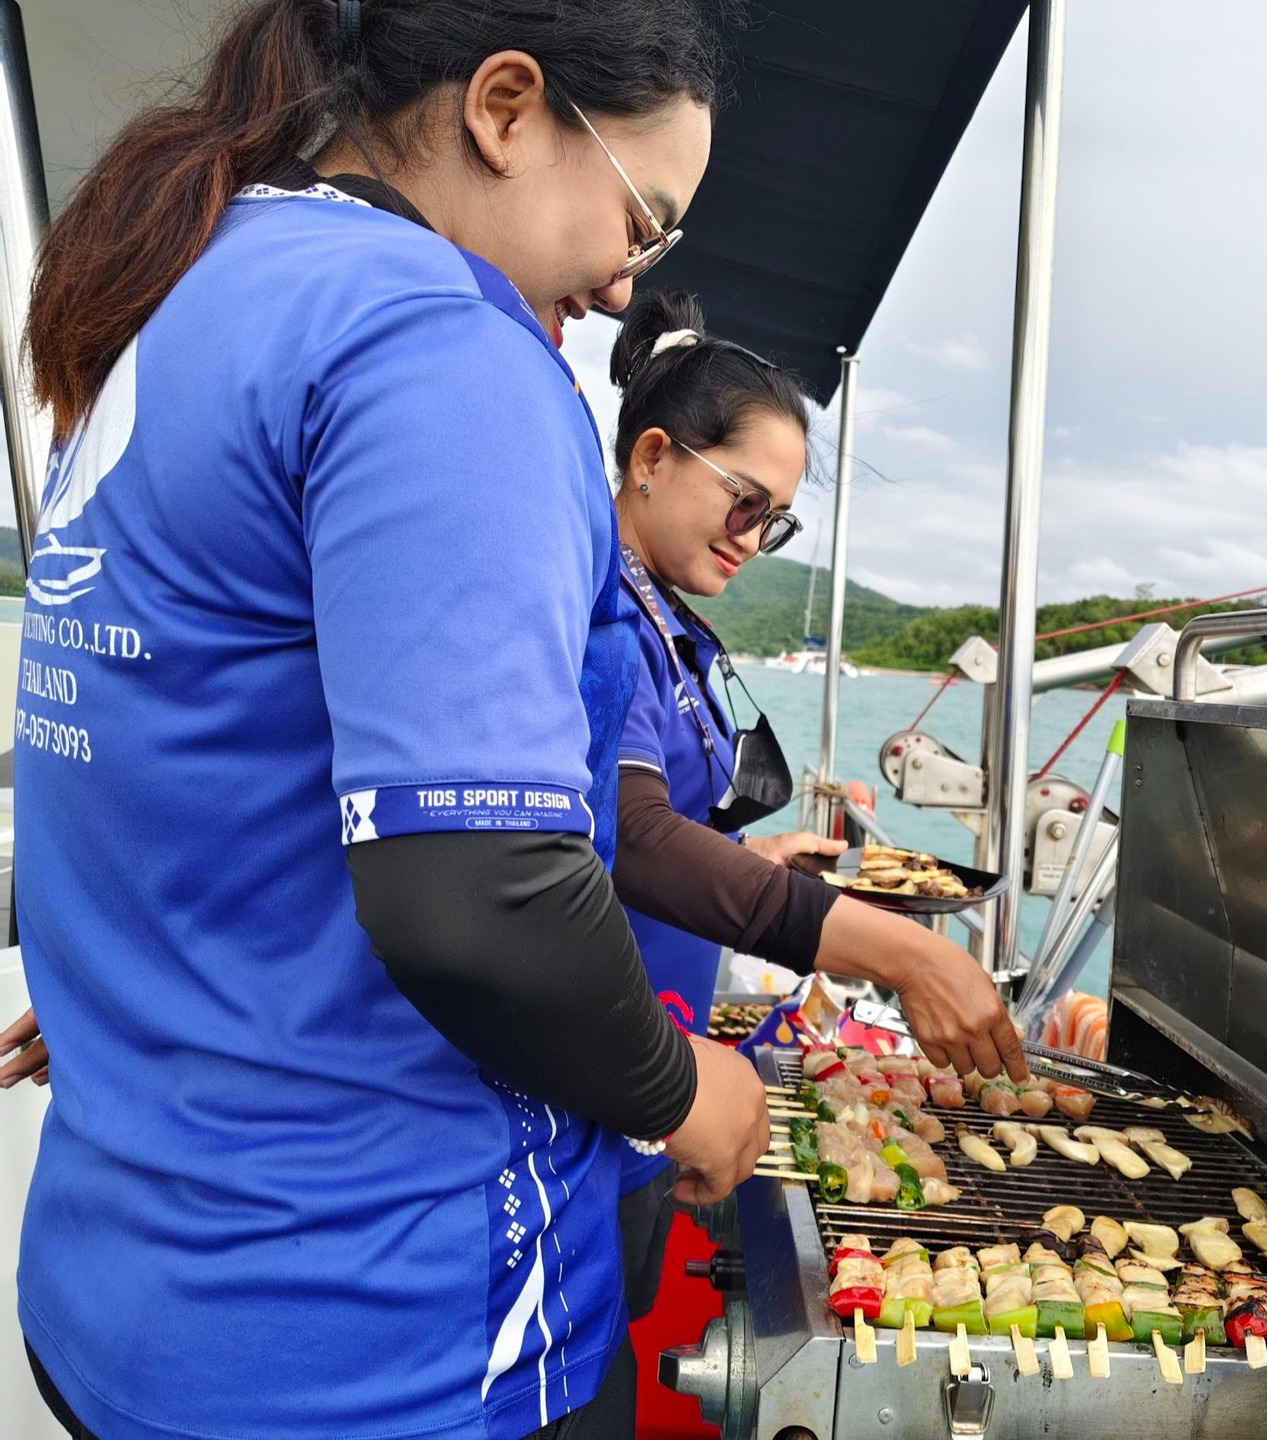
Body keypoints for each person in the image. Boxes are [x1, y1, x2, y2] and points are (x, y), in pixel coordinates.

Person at [11, 3, 769, 1439]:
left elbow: (183, 763)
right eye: (642, 216)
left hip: (122, 1285)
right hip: (378, 1329)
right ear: (505, 107)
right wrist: (685, 1091)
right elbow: (479, 894)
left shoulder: (179, 293)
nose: (629, 283)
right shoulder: (437, 341)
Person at [599, 290, 1027, 1322]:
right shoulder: (600, 610)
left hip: (651, 1062)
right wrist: (905, 953)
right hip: (598, 1077)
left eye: (776, 522)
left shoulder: (662, 617)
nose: (755, 538)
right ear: (652, 457)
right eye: (745, 501)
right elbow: (632, 836)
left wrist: (758, 859)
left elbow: (625, 827)